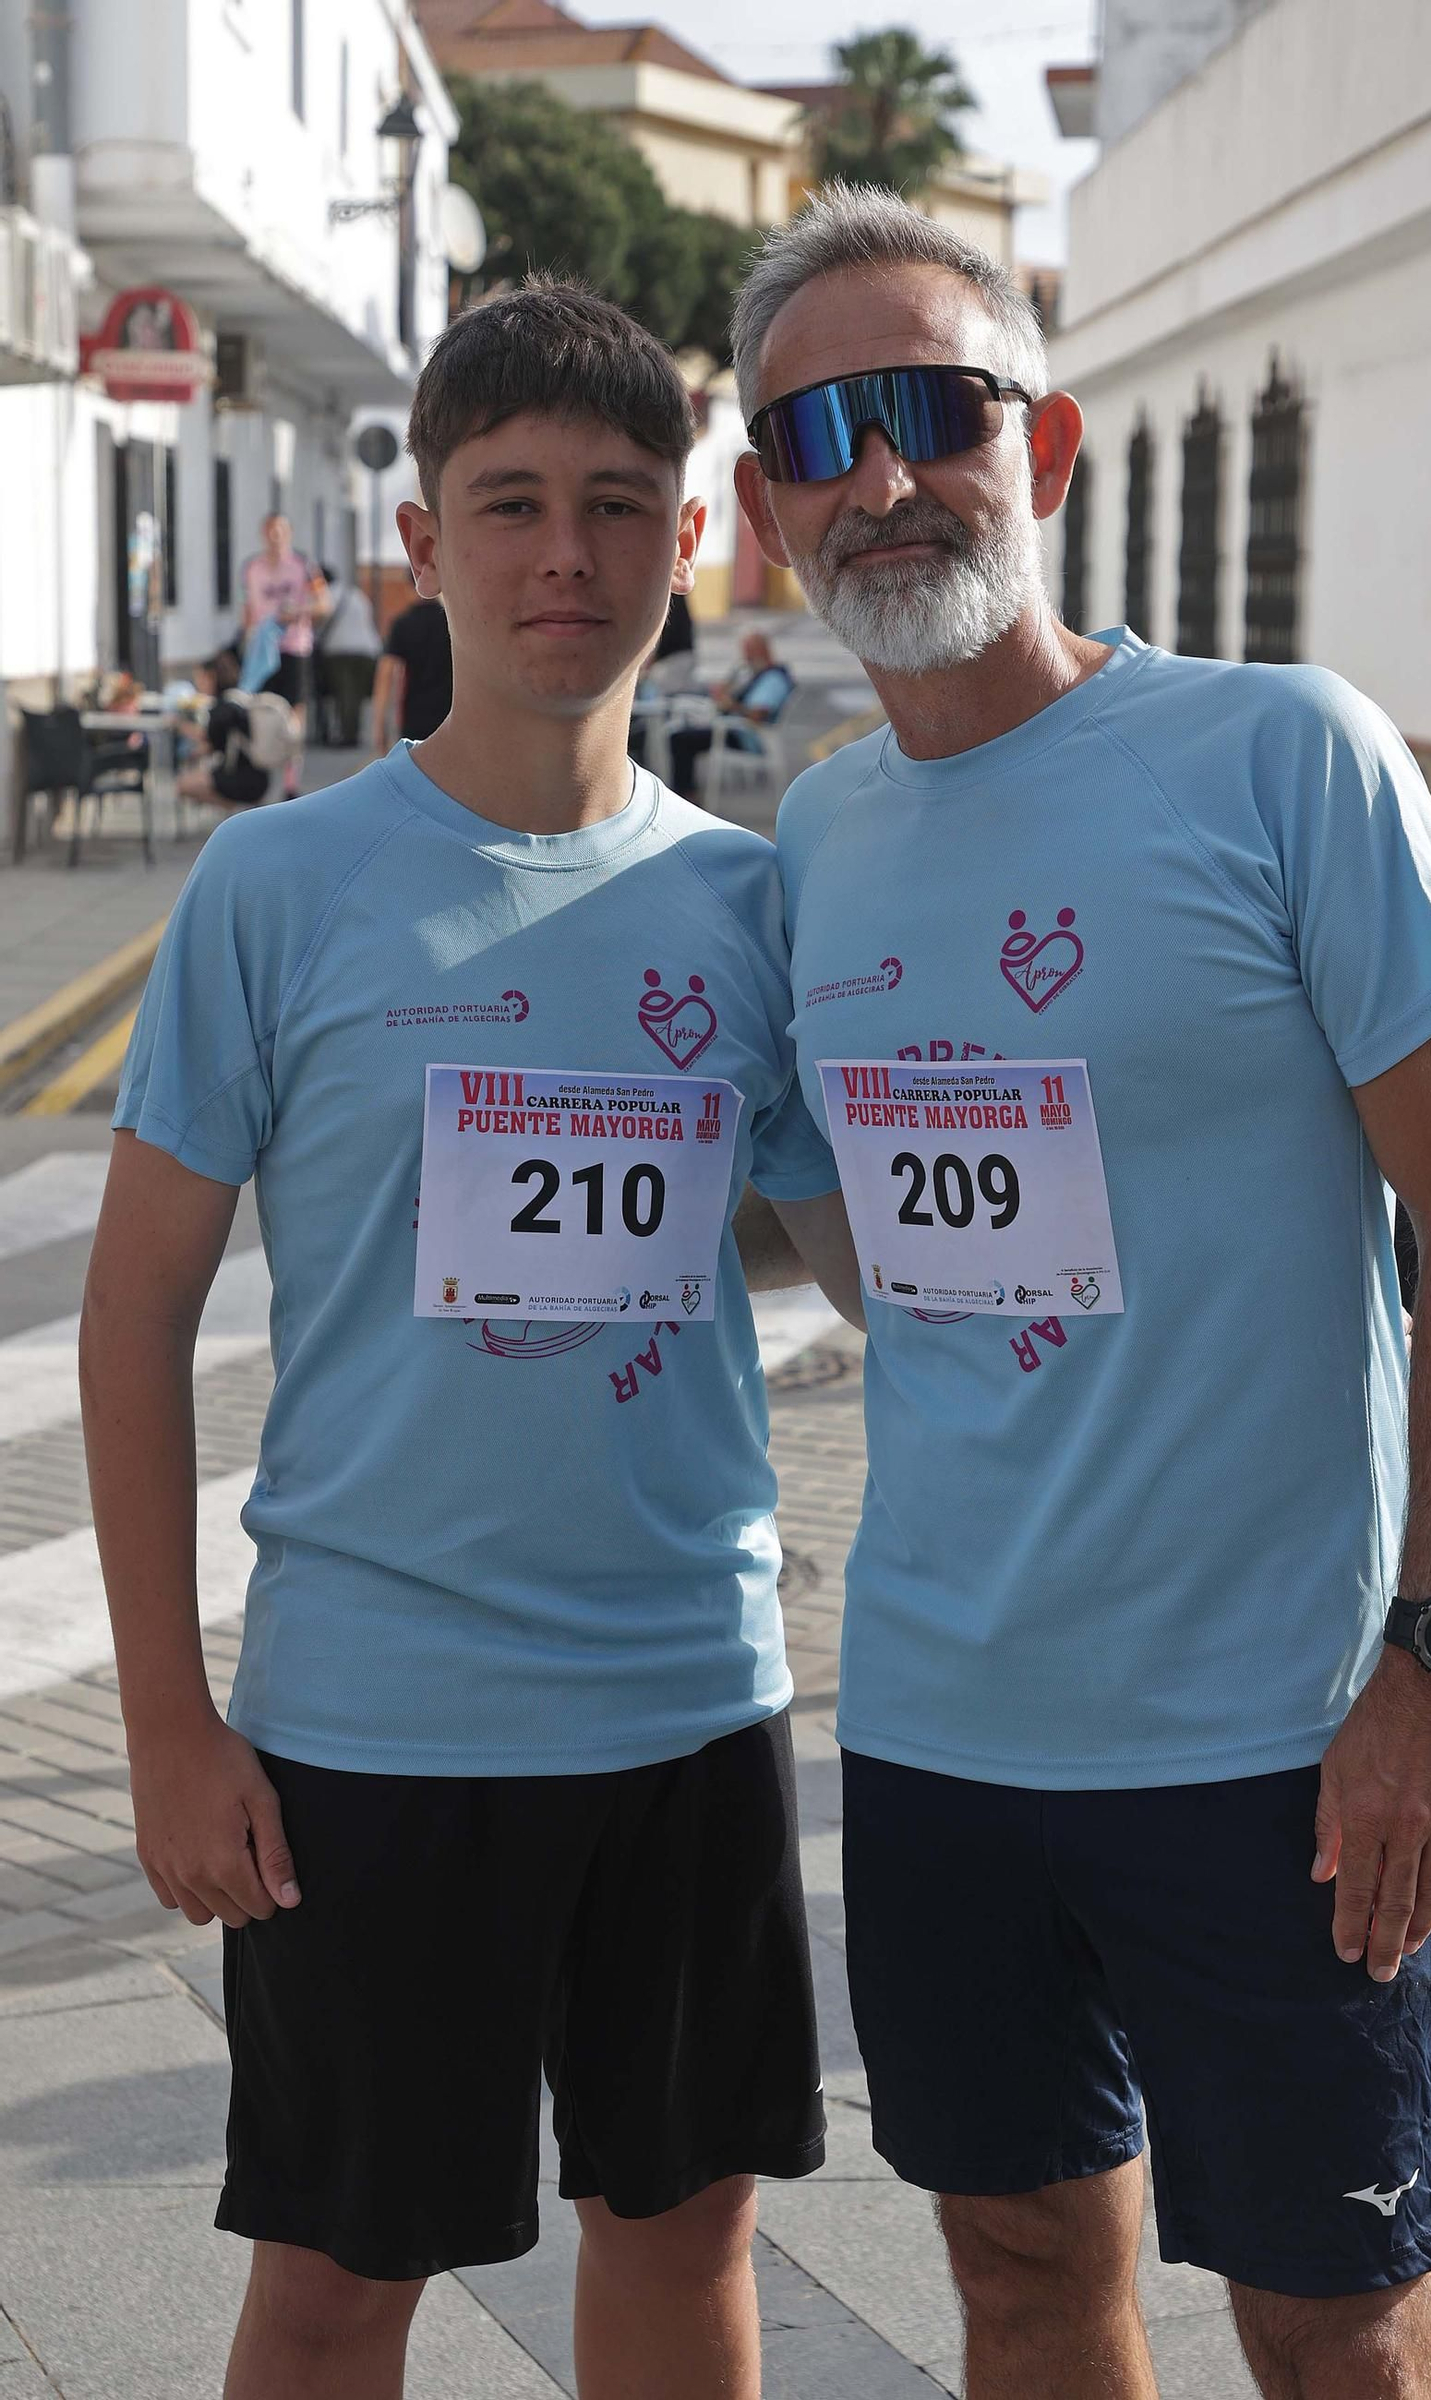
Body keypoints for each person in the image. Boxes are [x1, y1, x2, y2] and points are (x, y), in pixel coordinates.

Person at [729, 186, 1431, 2400]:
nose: (879, 474)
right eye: (818, 434)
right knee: (1009, 2272)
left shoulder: (1282, 755)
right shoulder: (813, 842)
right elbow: (870, 1230)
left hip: (1274, 1736)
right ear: (761, 506)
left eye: (930, 408)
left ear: (1049, 443)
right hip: (932, 1731)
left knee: (1331, 2316)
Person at [81, 278, 855, 2400]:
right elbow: (137, 1307)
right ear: (415, 544)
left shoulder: (752, 903)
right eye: (506, 504)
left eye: (619, 506)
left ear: (685, 545)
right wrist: (168, 1719)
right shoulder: (279, 886)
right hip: (374, 1724)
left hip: (687, 1701)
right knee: (339, 2282)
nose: (564, 557)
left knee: (688, 2239)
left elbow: (863, 1259)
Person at [241, 515, 325, 788]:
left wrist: (300, 611)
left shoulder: (304, 565)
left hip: (294, 647)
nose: (275, 537)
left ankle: (291, 781)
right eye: (270, 532)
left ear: (288, 534)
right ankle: (259, 776)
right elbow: (248, 610)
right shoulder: (252, 568)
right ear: (263, 534)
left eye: (280, 532)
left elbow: (325, 604)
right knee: (259, 711)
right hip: (262, 651)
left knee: (293, 714)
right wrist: (248, 640)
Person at [668, 627, 793, 794]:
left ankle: (685, 792)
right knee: (683, 732)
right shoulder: (757, 674)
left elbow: (757, 714)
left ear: (762, 651)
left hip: (747, 736)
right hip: (737, 729)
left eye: (749, 652)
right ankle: (686, 789)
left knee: (681, 739)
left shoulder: (773, 679)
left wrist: (729, 704)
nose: (746, 658)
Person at [174, 651, 271, 813]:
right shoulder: (241, 699)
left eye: (200, 677)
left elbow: (210, 742)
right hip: (262, 776)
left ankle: (236, 811)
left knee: (183, 785)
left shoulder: (221, 710)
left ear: (211, 677)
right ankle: (238, 812)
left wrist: (180, 726)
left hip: (239, 778)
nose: (198, 684)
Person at [371, 588, 452, 750]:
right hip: (451, 716)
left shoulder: (403, 623)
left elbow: (385, 673)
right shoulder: (454, 624)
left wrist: (379, 724)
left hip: (414, 717)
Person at [314, 563, 382, 747]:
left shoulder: (326, 595)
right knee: (357, 696)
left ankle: (347, 736)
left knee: (344, 694)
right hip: (367, 650)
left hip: (340, 651)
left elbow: (319, 620)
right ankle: (353, 732)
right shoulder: (356, 594)